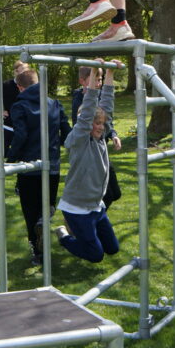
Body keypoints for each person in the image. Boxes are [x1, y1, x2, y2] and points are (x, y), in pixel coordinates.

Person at [5, 68, 71, 265]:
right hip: (52, 165)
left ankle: (38, 252)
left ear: (19, 87)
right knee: (47, 205)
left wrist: (10, 158)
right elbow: (66, 132)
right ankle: (44, 222)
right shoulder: (54, 104)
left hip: (29, 167)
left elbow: (21, 135)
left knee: (29, 210)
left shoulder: (19, 106)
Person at [56, 65, 120, 263]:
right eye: (96, 124)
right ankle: (64, 236)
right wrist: (93, 74)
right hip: (77, 208)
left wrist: (110, 73)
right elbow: (88, 112)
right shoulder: (80, 139)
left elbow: (107, 106)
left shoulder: (100, 138)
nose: (101, 127)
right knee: (96, 255)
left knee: (113, 249)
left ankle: (89, 238)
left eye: (102, 124)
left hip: (95, 206)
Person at [71, 66, 123, 208]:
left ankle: (88, 220)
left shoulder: (100, 96)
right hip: (89, 151)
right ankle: (76, 222)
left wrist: (113, 134)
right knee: (105, 196)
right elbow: (85, 117)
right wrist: (94, 71)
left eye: (101, 79)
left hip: (101, 149)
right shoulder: (80, 100)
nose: (99, 83)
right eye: (96, 79)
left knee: (114, 194)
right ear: (82, 81)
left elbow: (107, 114)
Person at [0, 60, 28, 150]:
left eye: (27, 70)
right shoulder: (6, 85)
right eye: (23, 70)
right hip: (8, 126)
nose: (25, 72)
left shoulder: (30, 85)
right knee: (2, 151)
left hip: (24, 126)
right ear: (16, 71)